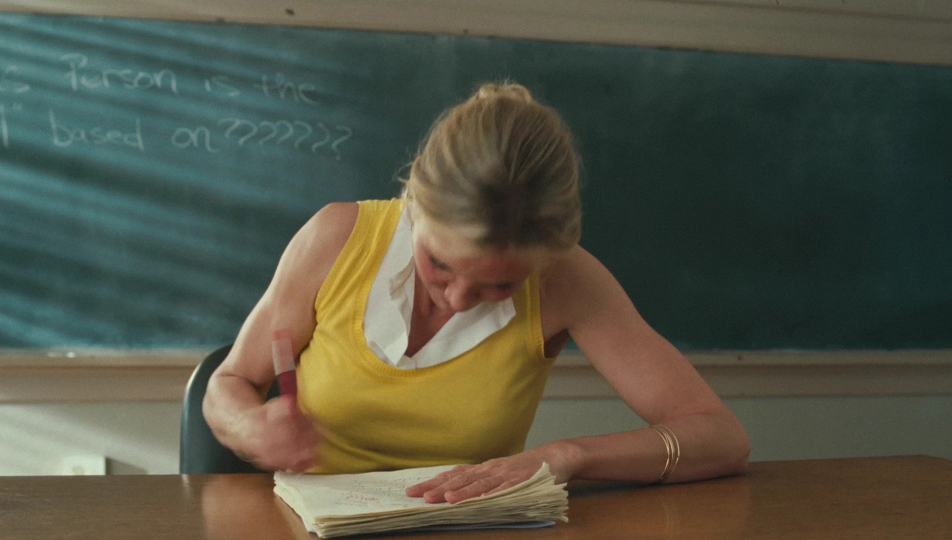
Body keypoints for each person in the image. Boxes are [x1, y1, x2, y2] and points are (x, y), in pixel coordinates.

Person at [203, 82, 750, 504]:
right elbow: (230, 383)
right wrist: (250, 426)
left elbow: (721, 438)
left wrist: (568, 455)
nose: (459, 299)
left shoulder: (567, 280)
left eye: (501, 284)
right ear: (415, 197)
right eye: (439, 265)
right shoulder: (335, 238)